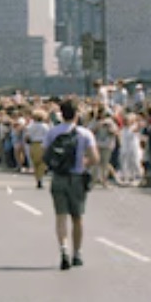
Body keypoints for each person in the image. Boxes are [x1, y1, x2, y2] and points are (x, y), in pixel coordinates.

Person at [42, 100, 98, 271]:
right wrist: (84, 162)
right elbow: (95, 158)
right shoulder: (85, 133)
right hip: (77, 177)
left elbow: (45, 156)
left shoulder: (53, 132)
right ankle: (77, 253)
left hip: (59, 176)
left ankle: (63, 250)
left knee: (60, 216)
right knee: (77, 217)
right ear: (76, 114)